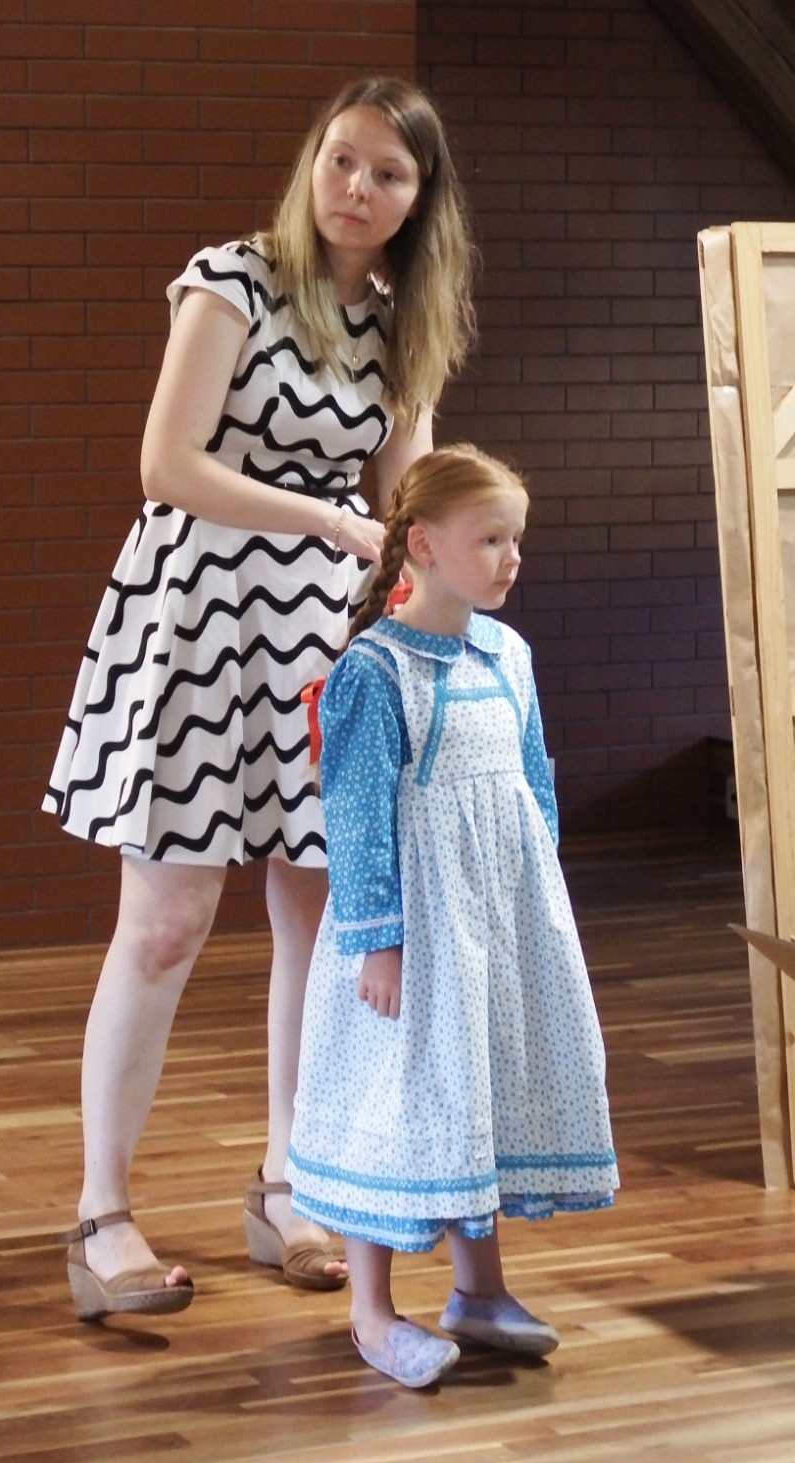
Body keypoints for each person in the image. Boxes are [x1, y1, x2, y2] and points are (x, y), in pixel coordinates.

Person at [44, 77, 477, 1319]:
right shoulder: (231, 280)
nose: (356, 188)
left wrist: (446, 590)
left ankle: (290, 1180)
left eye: (387, 173)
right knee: (166, 923)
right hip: (195, 614)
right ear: (312, 164)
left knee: (320, 919)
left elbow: (404, 500)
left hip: (327, 638)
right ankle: (101, 1213)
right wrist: (324, 520)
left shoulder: (404, 324)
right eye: (342, 160)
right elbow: (166, 464)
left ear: (419, 200)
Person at [287, 444, 619, 1386]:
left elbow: (532, 784)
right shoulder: (374, 673)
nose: (511, 558)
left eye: (516, 539)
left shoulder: (509, 656)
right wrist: (378, 942)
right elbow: (356, 820)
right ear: (424, 545)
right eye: (490, 539)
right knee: (394, 1099)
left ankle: (479, 1292)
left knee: (477, 1090)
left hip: (496, 926)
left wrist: (539, 900)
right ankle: (371, 1311)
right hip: (414, 938)